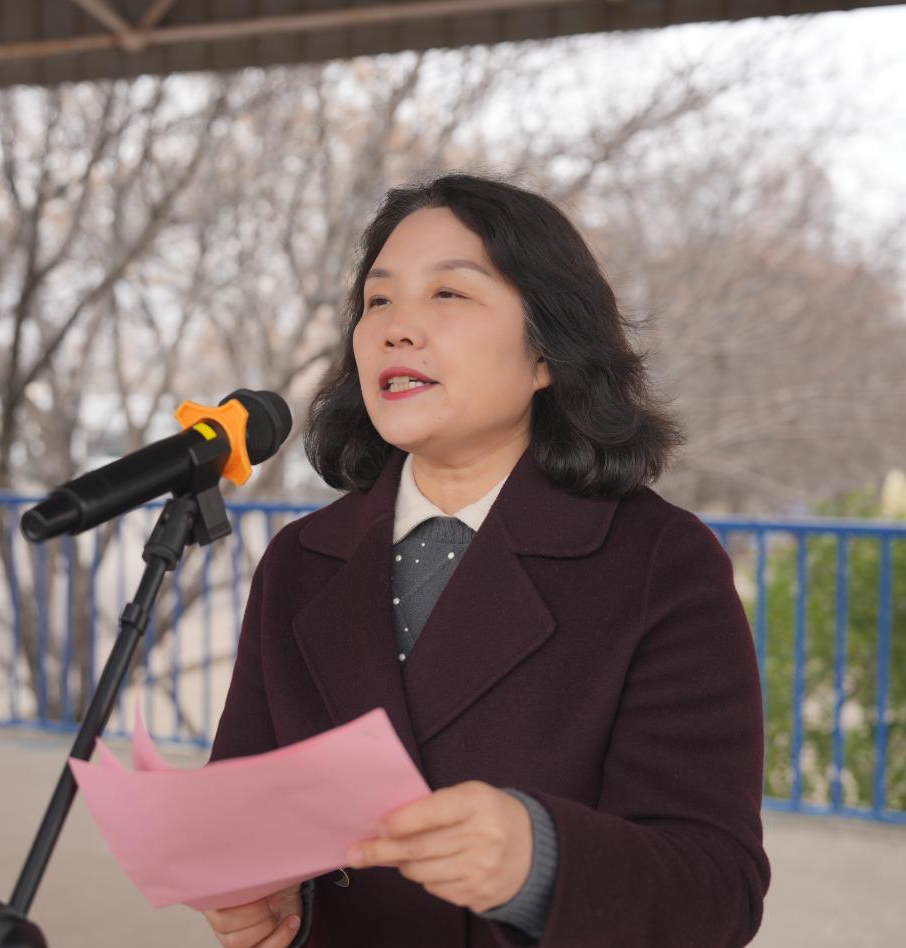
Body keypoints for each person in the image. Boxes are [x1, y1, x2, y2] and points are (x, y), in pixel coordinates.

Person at [200, 172, 770, 947]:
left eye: (448, 293)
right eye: (378, 300)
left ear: (546, 353)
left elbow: (717, 890)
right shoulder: (300, 562)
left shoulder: (660, 564)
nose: (397, 328)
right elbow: (244, 811)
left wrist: (543, 864)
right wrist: (262, 901)